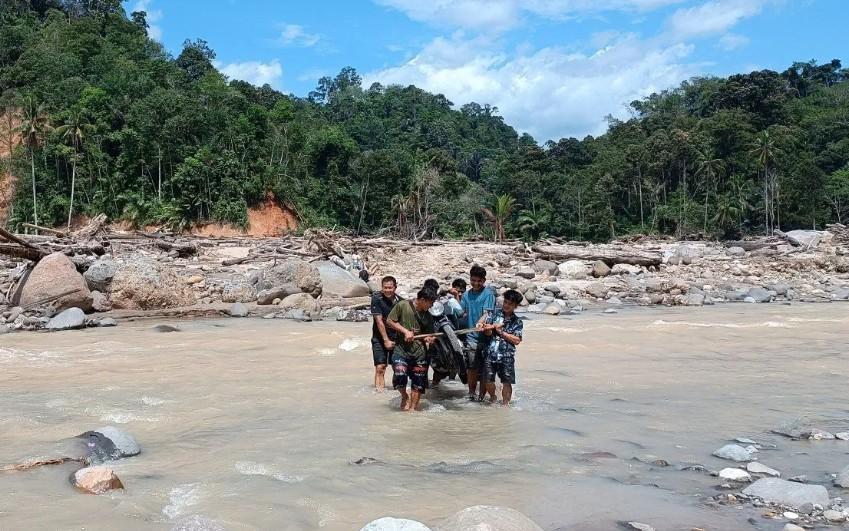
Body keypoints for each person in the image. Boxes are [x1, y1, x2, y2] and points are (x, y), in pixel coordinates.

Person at [387, 288, 437, 411]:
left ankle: (413, 409)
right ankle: (404, 396)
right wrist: (405, 331)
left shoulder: (428, 316)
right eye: (430, 303)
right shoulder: (403, 305)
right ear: (422, 300)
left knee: (418, 383)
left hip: (419, 353)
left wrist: (429, 339)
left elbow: (429, 334)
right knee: (399, 375)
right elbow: (390, 321)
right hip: (401, 350)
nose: (431, 306)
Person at [478, 289, 524, 406]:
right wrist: (487, 329)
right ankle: (493, 397)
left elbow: (517, 340)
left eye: (510, 304)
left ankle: (505, 405)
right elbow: (487, 334)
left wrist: (501, 332)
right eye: (506, 302)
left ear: (516, 306)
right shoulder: (494, 314)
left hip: (507, 355)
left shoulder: (517, 322)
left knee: (507, 382)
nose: (507, 305)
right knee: (488, 380)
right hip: (490, 353)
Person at [460, 265, 496, 400]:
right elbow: (461, 312)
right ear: (470, 279)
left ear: (484, 280)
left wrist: (480, 322)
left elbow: (487, 313)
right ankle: (471, 394)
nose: (475, 283)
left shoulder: (488, 295)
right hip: (471, 338)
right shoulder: (466, 295)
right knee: (472, 368)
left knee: (485, 370)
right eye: (473, 280)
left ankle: (481, 396)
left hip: (487, 338)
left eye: (479, 281)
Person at [370, 276, 400, 391]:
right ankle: (379, 394)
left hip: (396, 338)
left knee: (397, 367)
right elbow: (379, 320)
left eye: (390, 288)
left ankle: (397, 391)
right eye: (385, 288)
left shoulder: (401, 302)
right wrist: (386, 340)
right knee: (380, 367)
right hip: (379, 338)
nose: (387, 290)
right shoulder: (376, 298)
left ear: (395, 287)